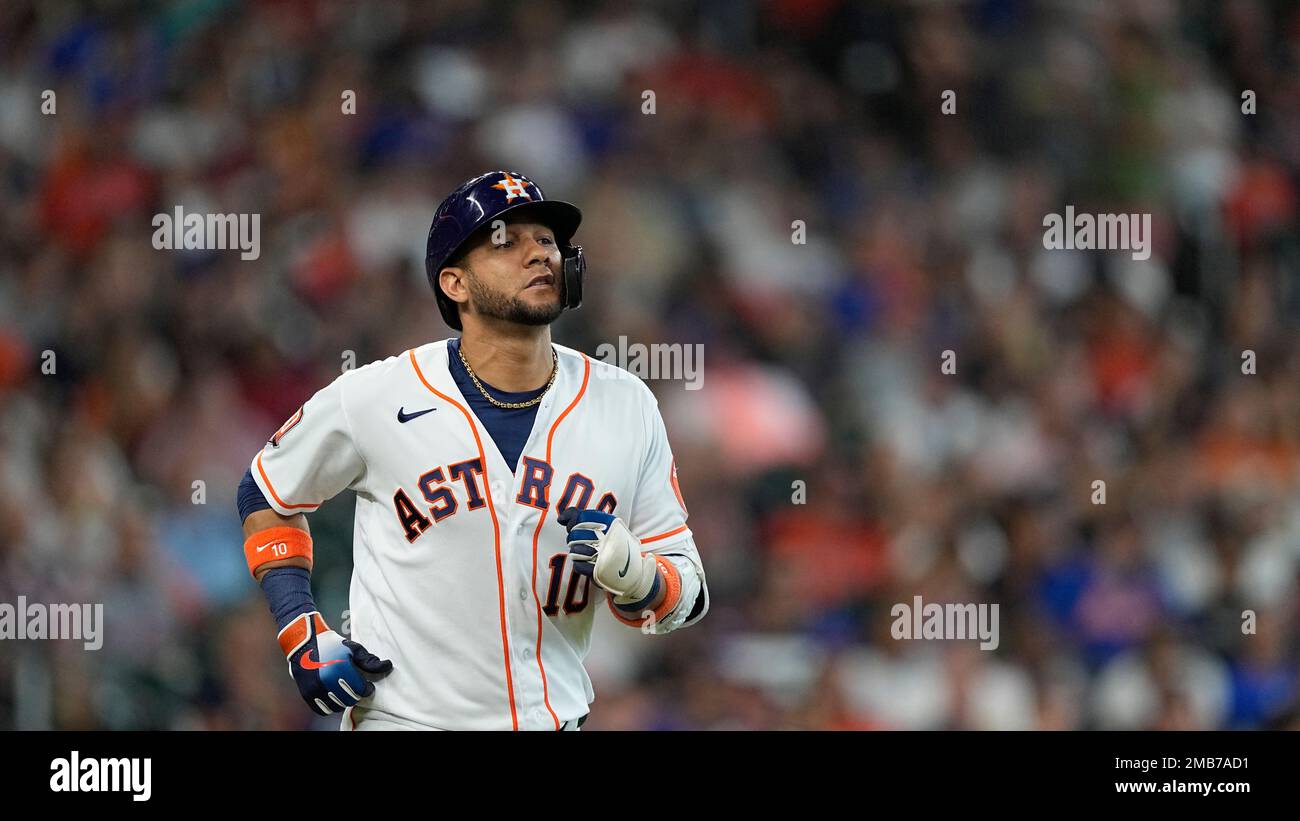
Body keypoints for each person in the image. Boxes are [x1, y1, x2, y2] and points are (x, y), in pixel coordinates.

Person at [235, 170, 709, 730]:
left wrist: (639, 579)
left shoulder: (625, 404)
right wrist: (301, 629)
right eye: (507, 241)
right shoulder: (377, 396)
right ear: (454, 283)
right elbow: (266, 491)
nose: (538, 253)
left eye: (547, 240)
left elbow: (688, 593)